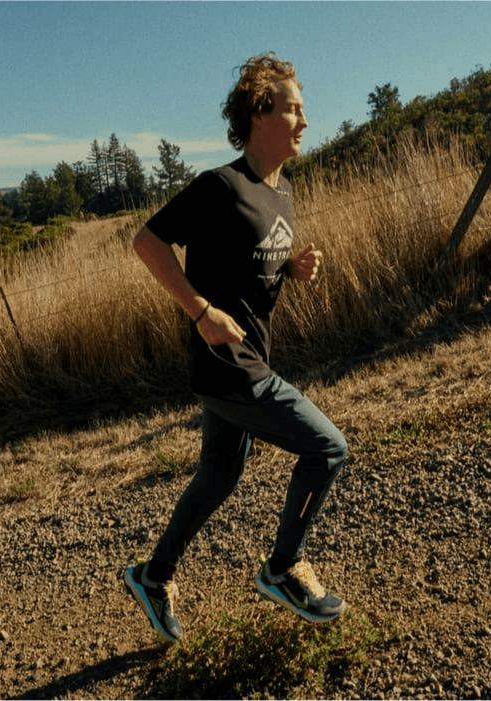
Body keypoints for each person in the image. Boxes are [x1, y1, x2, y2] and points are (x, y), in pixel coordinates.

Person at [122, 53, 349, 642]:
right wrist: (200, 312)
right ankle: (283, 567)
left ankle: (154, 574)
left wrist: (291, 269)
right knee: (327, 448)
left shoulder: (284, 194)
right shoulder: (220, 186)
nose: (305, 120)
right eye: (294, 108)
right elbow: (147, 242)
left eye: (303, 109)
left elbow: (249, 271)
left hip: (248, 358)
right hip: (227, 365)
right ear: (259, 113)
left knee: (218, 479)